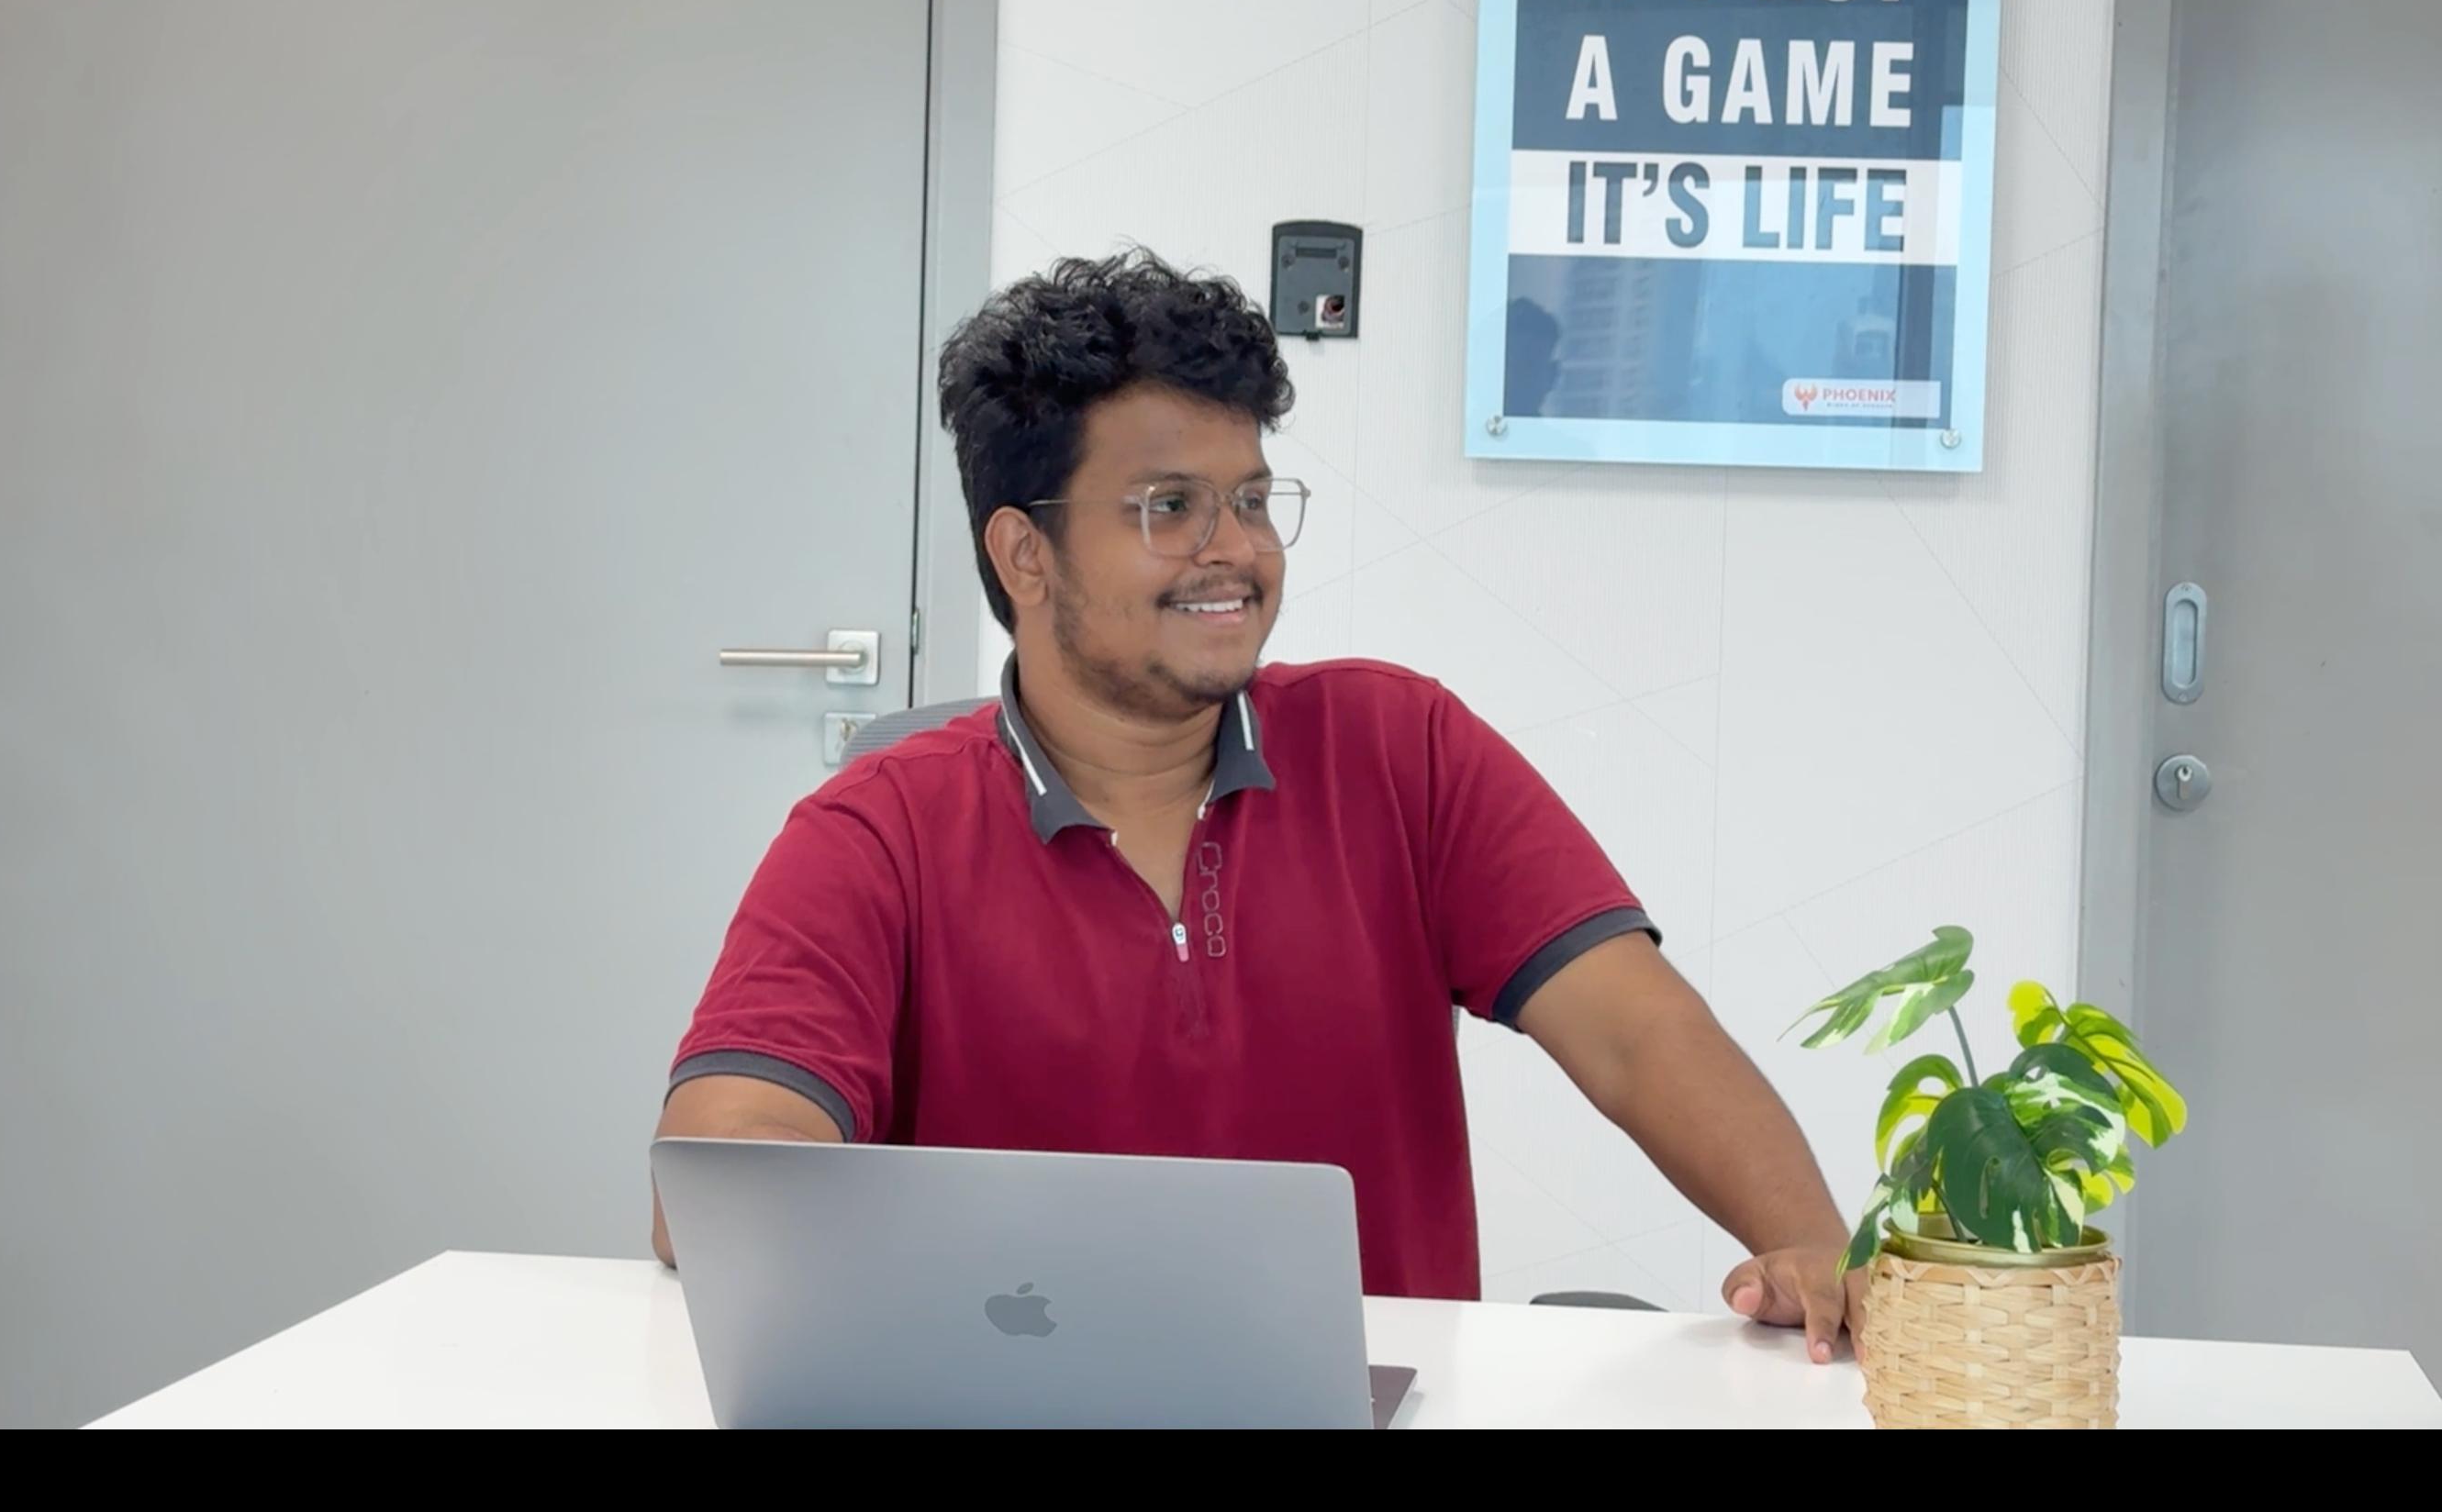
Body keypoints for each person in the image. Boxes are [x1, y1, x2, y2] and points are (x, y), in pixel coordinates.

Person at [653, 250, 1864, 1360]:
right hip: (1008, 1401)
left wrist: (1812, 1245)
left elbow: (1633, 1032)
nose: (1233, 549)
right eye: (1167, 508)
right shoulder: (879, 829)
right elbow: (727, 1154)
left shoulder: (1399, 747)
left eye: (1251, 499)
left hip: (1361, 1402)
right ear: (1025, 554)